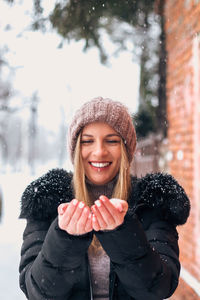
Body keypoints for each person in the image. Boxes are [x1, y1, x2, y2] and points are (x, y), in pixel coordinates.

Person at [19, 97, 190, 300]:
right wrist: (65, 238)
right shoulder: (48, 201)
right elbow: (37, 291)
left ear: (126, 149)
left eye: (112, 141)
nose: (99, 151)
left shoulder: (151, 202)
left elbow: (158, 288)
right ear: (75, 150)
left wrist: (122, 232)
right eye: (87, 141)